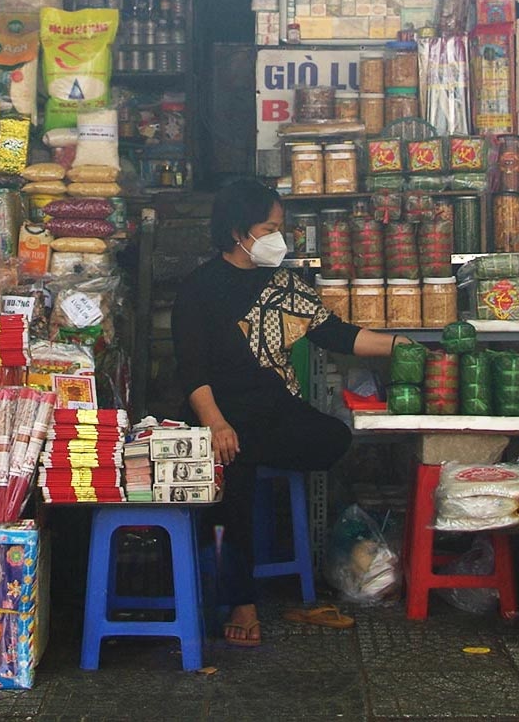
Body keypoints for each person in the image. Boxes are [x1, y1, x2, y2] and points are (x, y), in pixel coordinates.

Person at [172, 179, 401, 647]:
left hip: (274, 412)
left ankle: (243, 454)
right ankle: (242, 600)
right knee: (233, 473)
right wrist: (216, 424)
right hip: (219, 411)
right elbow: (192, 372)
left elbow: (338, 334)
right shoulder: (198, 289)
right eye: (269, 228)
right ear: (239, 232)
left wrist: (401, 346)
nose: (279, 237)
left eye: (281, 228)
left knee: (333, 438)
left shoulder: (283, 284)